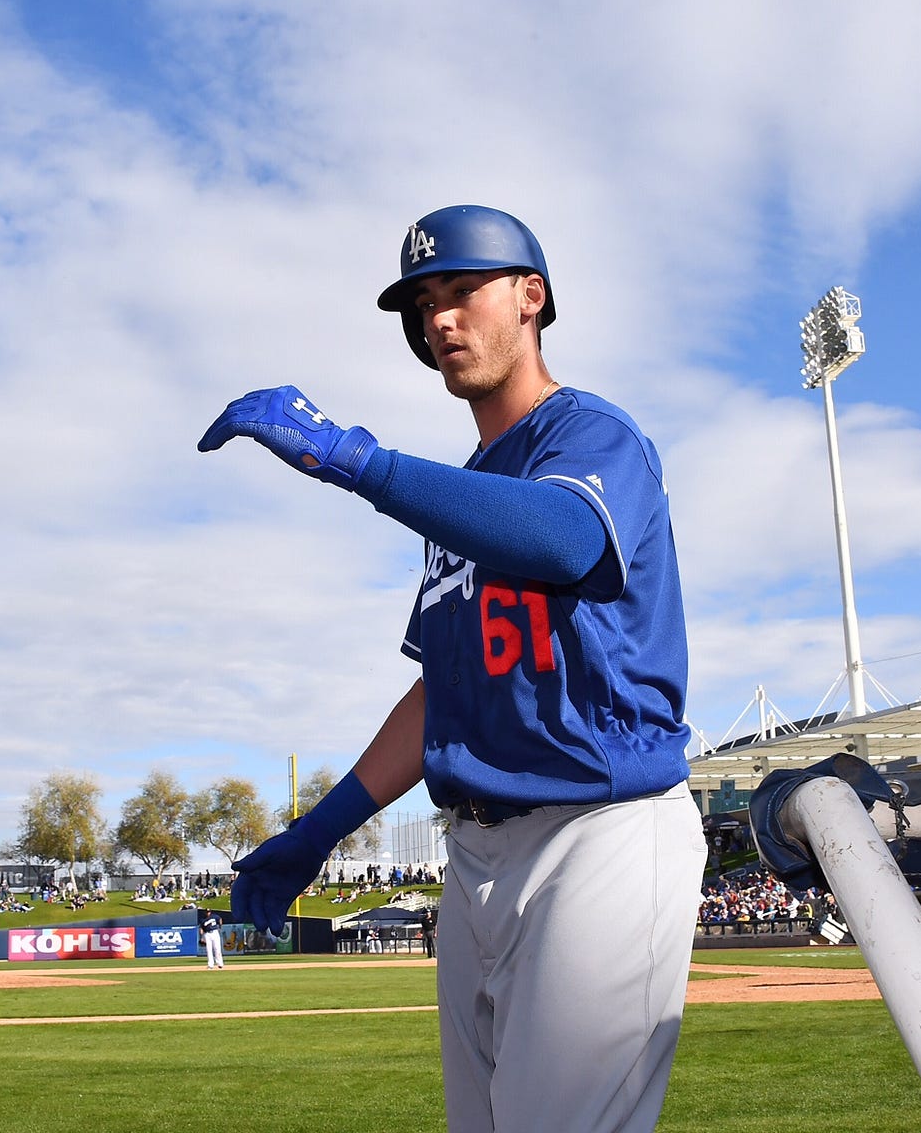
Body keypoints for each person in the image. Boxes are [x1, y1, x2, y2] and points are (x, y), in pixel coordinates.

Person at [199, 204, 707, 1133]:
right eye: (423, 304)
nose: (439, 320)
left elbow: (561, 537)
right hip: (471, 853)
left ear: (531, 297)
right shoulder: (464, 490)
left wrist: (362, 464)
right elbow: (442, 687)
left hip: (599, 833)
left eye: (463, 291)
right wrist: (320, 830)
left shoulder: (590, 436)